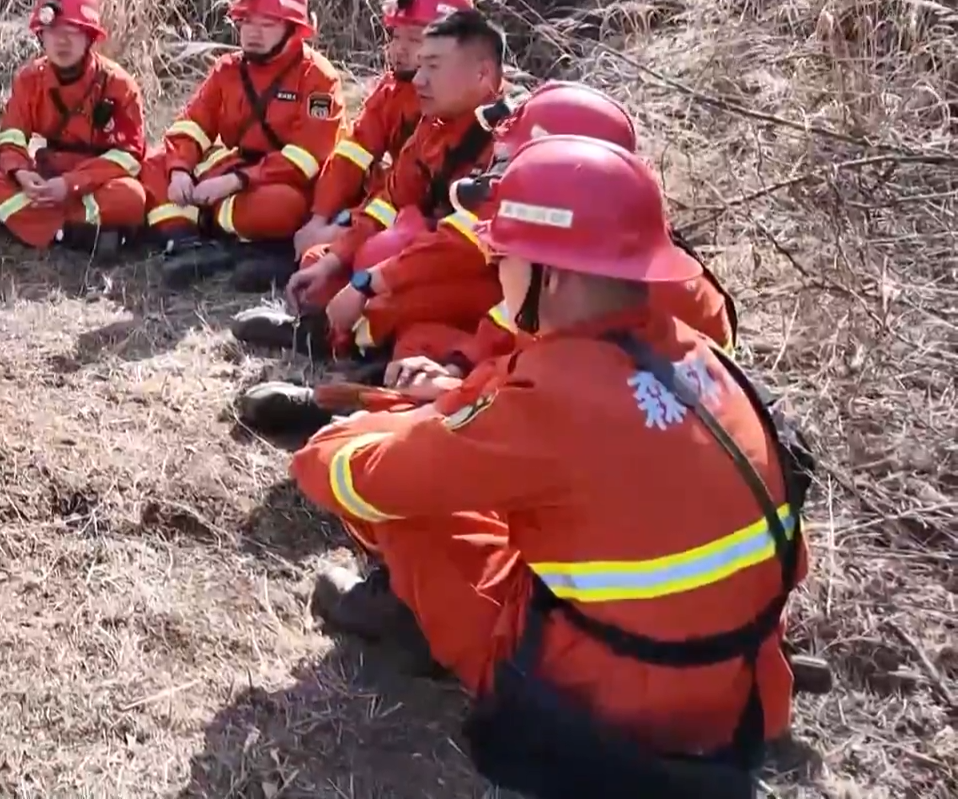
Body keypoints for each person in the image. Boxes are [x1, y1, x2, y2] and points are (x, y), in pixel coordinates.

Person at [287, 134, 814, 797]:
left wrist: (339, 440)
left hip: (602, 704)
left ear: (552, 275)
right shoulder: (703, 358)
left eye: (502, 258)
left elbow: (367, 479)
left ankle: (406, 613)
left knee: (413, 507)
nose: (495, 272)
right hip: (742, 689)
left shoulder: (557, 396)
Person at [235, 82, 730, 435]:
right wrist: (458, 366)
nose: (501, 169)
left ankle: (357, 412)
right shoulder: (589, 235)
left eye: (515, 158)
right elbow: (513, 321)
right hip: (579, 398)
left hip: (606, 432)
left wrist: (459, 384)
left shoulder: (604, 270)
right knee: (425, 338)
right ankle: (360, 379)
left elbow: (541, 371)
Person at [230, 8, 525, 356]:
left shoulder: (512, 142)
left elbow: (464, 245)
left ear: (482, 74)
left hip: (477, 274)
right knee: (319, 266)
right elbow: (390, 201)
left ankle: (331, 339)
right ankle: (346, 332)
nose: (418, 79)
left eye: (433, 66)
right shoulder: (435, 126)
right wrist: (334, 261)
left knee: (388, 305)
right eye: (420, 65)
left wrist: (369, 282)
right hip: (417, 253)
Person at [138, 0, 346, 288]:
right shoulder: (228, 69)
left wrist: (234, 182)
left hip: (282, 180)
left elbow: (308, 158)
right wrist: (180, 170)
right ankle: (184, 242)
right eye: (246, 21)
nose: (253, 33)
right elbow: (192, 125)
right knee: (156, 163)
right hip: (234, 169)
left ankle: (218, 229)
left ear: (293, 29)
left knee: (281, 207)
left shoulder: (318, 77)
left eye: (267, 24)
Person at [0, 0, 148, 258]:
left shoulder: (119, 85)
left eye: (72, 32)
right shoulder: (29, 80)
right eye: (53, 32)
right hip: (47, 175)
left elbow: (130, 156)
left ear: (89, 37)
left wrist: (71, 184)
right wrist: (21, 174)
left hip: (95, 181)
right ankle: (76, 234)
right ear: (41, 36)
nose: (62, 41)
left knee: (131, 197)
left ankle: (27, 224)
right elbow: (11, 138)